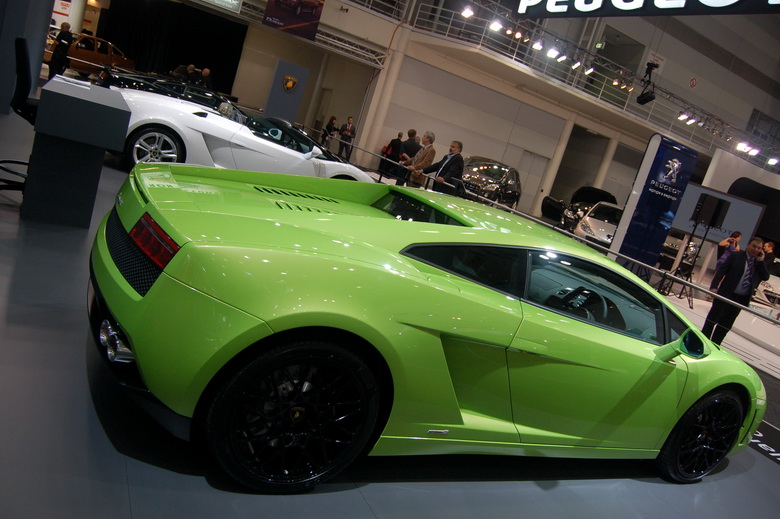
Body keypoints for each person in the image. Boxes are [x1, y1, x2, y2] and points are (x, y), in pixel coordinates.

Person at [702, 236, 769, 345]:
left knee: (725, 325)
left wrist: (761, 261)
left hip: (740, 300)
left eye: (759, 248)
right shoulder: (736, 255)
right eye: (754, 246)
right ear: (748, 245)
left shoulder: (758, 263)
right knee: (712, 320)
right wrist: (714, 287)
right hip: (726, 294)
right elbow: (721, 271)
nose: (755, 249)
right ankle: (702, 343)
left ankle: (714, 346)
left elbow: (765, 277)